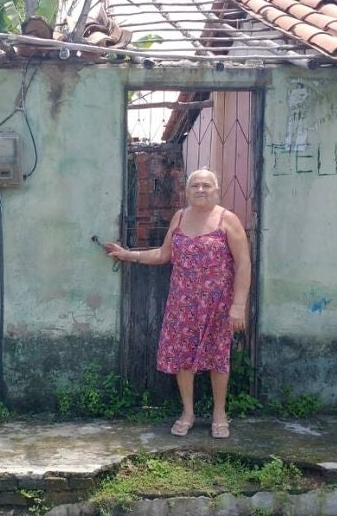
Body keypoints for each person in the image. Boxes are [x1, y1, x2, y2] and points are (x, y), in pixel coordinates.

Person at [104, 168, 251, 439]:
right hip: (181, 303)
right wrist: (128, 254)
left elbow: (243, 264)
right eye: (195, 185)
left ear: (216, 190)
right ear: (187, 190)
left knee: (219, 358)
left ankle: (219, 412)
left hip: (218, 305)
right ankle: (188, 411)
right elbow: (163, 254)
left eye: (207, 185)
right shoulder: (180, 217)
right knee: (183, 357)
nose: (201, 190)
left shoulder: (227, 220)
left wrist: (238, 305)